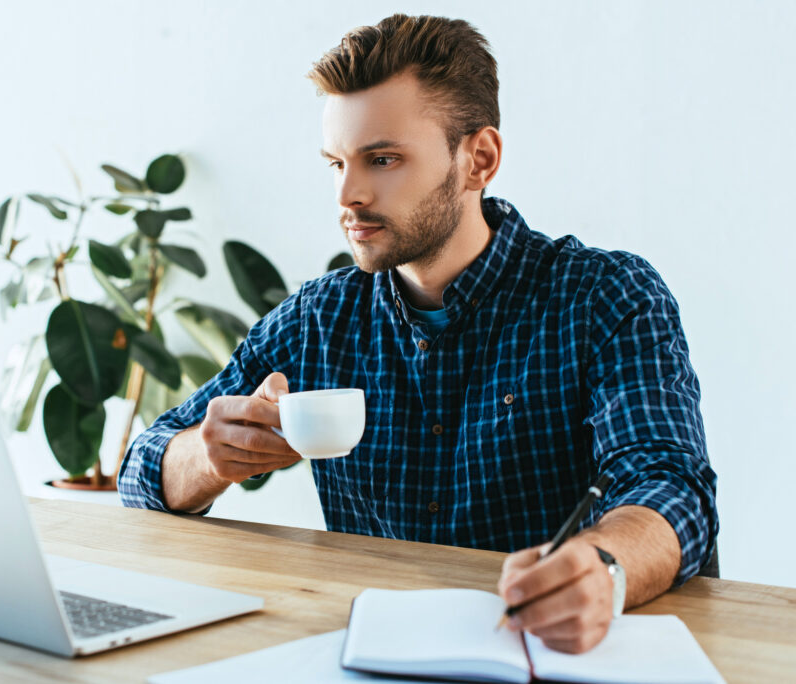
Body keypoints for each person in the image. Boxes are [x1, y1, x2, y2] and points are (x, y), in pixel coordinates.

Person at [118, 14, 718, 654]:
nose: (349, 194)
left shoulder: (604, 297)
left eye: (383, 160)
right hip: (372, 655)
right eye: (337, 163)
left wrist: (604, 568)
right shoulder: (319, 319)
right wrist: (207, 457)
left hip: (550, 656)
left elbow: (668, 485)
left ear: (478, 160)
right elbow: (139, 470)